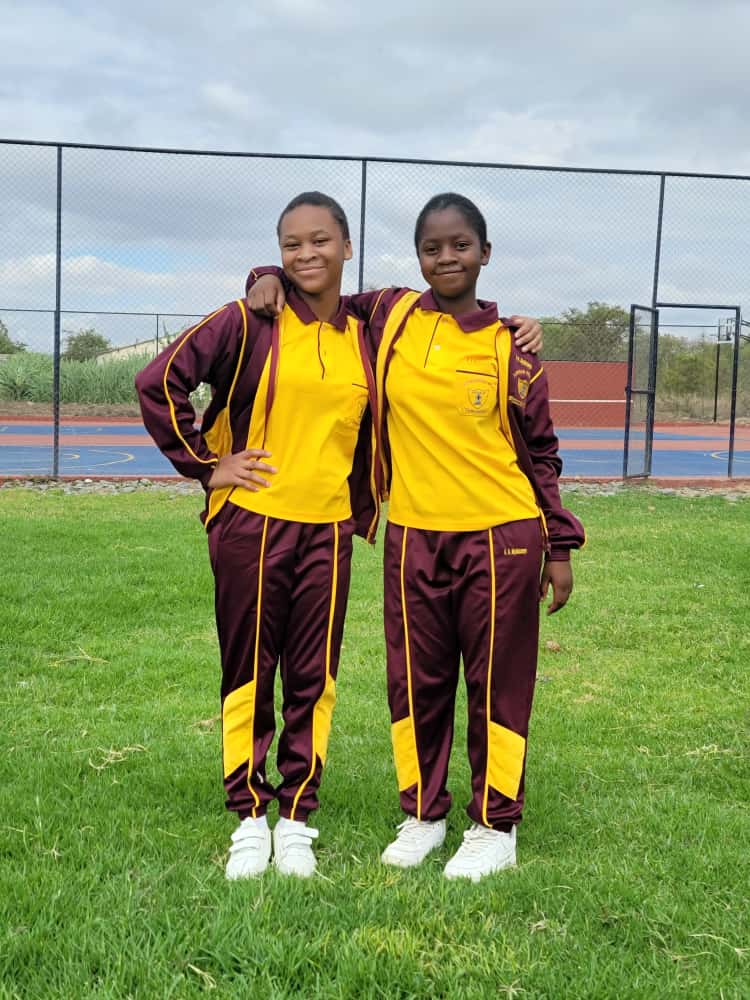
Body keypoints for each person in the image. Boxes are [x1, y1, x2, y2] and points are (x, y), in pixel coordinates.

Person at [246, 193, 583, 882]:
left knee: (495, 685)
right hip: (413, 538)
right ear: (419, 257)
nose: (447, 258)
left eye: (461, 246)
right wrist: (266, 274)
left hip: (501, 537)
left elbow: (542, 453)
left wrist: (559, 546)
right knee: (416, 683)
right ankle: (425, 814)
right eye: (433, 248)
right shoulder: (392, 313)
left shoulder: (512, 347)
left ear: (484, 253)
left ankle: (495, 825)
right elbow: (319, 285)